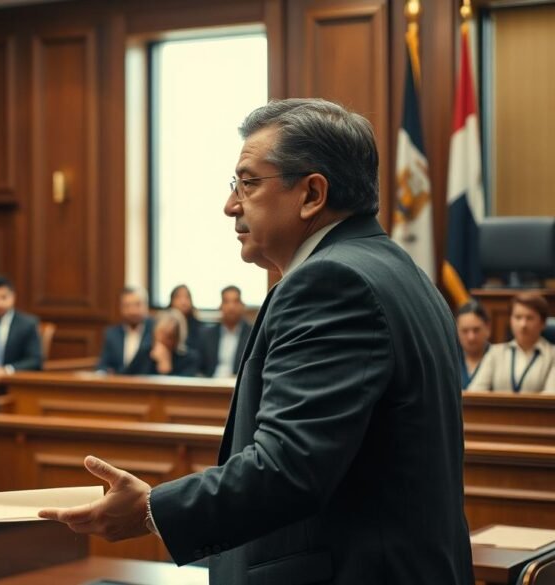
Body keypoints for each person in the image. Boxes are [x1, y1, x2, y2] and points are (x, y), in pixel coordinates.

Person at [40, 98, 473, 585]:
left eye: (248, 183)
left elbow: (289, 467)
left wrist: (150, 512)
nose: (231, 205)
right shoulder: (400, 271)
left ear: (311, 194)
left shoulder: (331, 283)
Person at [468, 293, 555, 393]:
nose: (523, 324)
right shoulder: (495, 353)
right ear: (510, 320)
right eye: (518, 317)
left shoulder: (552, 355)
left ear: (543, 323)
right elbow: (475, 392)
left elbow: (551, 397)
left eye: (529, 318)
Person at [96, 287, 154, 375]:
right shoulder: (112, 333)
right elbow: (103, 365)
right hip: (120, 384)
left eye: (137, 305)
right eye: (127, 306)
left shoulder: (156, 331)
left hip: (147, 384)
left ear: (146, 306)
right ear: (121, 308)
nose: (132, 311)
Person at [199, 286, 253, 378]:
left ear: (242, 306)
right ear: (220, 306)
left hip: (239, 387)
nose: (231, 307)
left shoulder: (253, 334)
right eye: (226, 302)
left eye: (235, 301)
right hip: (210, 386)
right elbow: (199, 368)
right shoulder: (206, 334)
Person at [143, 310, 199, 376]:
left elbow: (183, 384)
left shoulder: (190, 358)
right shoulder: (146, 353)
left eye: (169, 336)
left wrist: (165, 366)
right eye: (161, 334)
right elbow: (135, 378)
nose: (163, 340)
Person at [456, 300, 492, 390]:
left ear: (487, 328)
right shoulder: (451, 359)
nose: (471, 337)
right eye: (465, 331)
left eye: (476, 330)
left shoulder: (499, 357)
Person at [168, 284, 207, 356]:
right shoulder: (164, 326)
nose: (183, 302)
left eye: (187, 297)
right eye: (178, 297)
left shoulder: (200, 328)